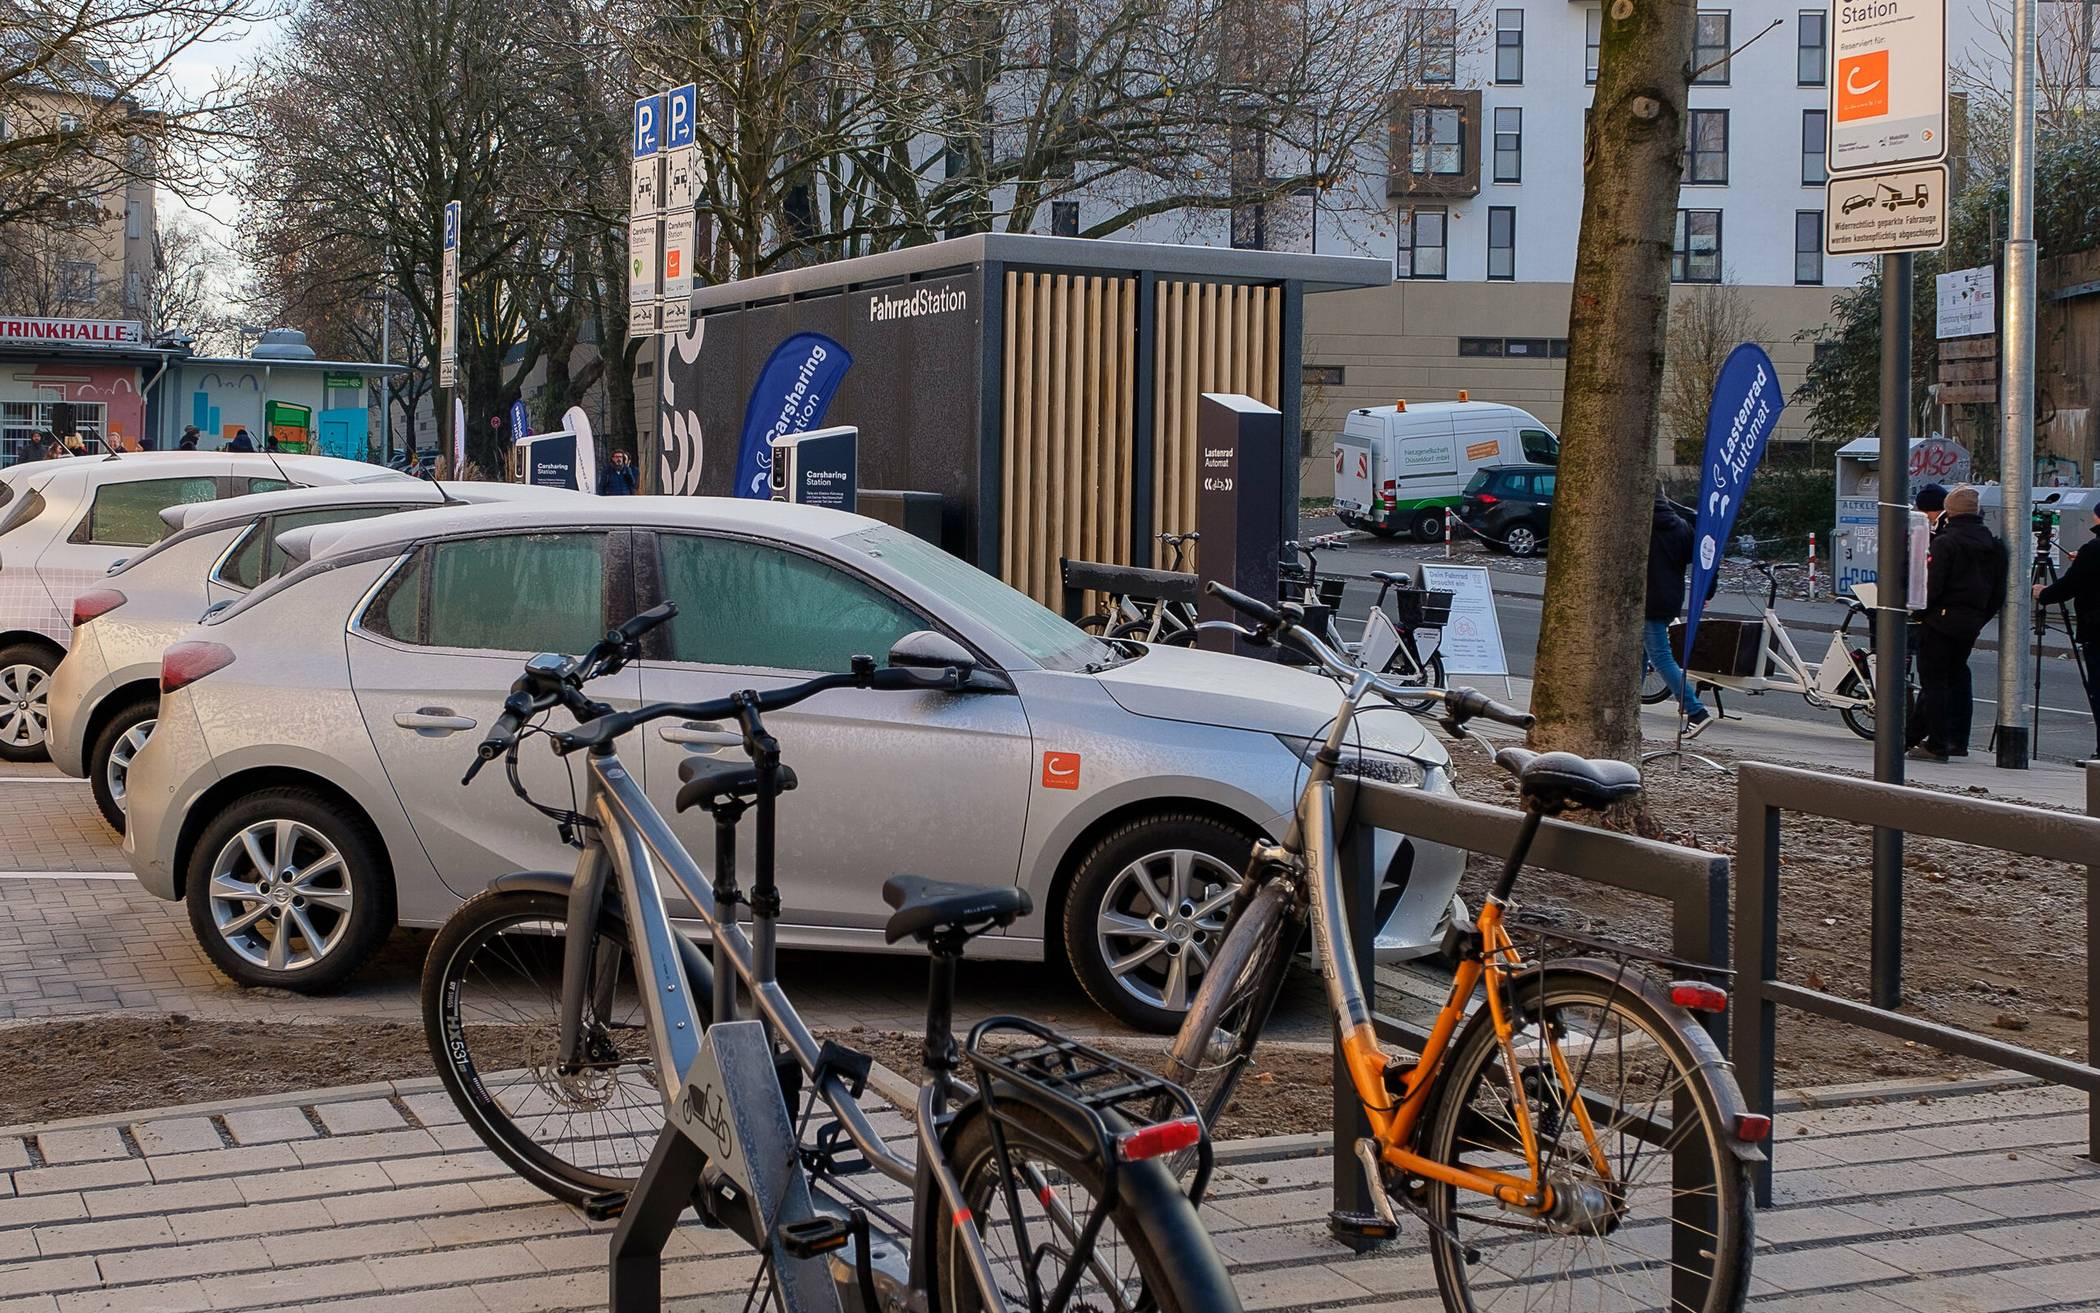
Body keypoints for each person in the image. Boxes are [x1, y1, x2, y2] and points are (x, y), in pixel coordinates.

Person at [1911, 485, 2007, 762]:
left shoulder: (1945, 542)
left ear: (1949, 511)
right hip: (1970, 621)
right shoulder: (1993, 544)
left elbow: (1933, 585)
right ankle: (1955, 739)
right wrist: (1979, 617)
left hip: (1940, 620)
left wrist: (1921, 613)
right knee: (1956, 678)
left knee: (1934, 682)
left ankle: (1935, 743)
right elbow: (1997, 592)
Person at [2035, 500, 2100, 764]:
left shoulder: (2094, 550)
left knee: (2099, 690)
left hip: (2097, 630)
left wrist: (2043, 595)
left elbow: (2070, 586)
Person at [1645, 492, 1713, 737]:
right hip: (1671, 598)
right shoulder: (1682, 526)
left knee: (1661, 657)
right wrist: (1708, 590)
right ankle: (1628, 705)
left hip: (1647, 599)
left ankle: (1696, 711)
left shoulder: (1641, 526)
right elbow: (1704, 559)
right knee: (1640, 655)